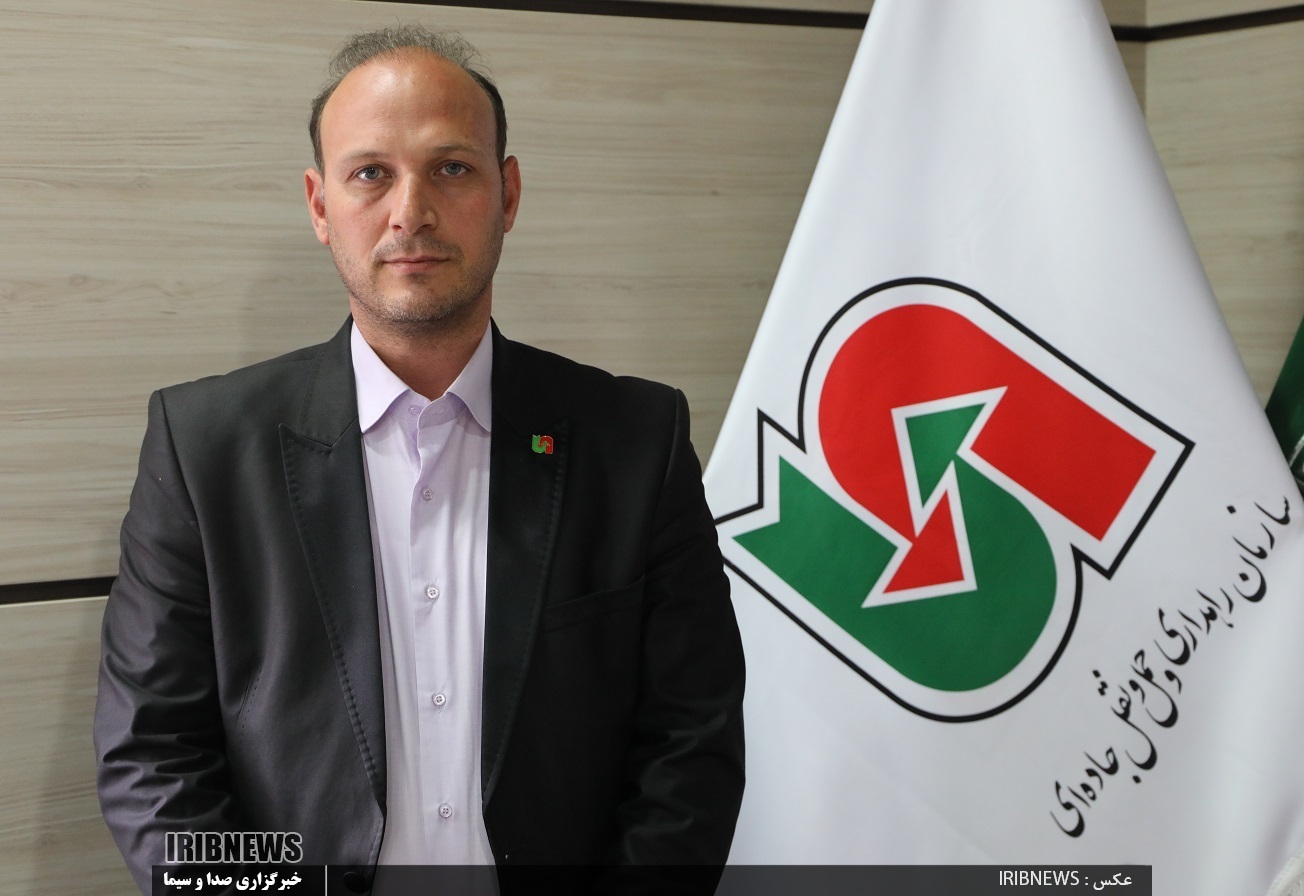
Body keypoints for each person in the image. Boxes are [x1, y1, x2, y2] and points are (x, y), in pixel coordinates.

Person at [94, 25, 745, 895]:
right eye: (371, 173)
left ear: (507, 194)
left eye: (452, 168)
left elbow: (691, 747)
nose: (411, 212)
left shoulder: (636, 442)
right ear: (319, 205)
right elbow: (153, 761)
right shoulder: (203, 448)